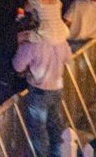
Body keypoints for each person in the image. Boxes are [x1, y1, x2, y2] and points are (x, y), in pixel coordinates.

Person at [12, 18, 74, 157]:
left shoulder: (32, 45)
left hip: (39, 92)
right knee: (56, 126)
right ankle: (59, 154)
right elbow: (68, 58)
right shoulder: (61, 42)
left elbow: (17, 66)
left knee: (39, 131)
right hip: (57, 88)